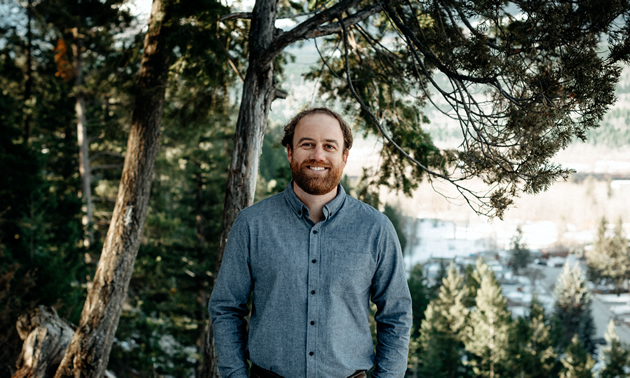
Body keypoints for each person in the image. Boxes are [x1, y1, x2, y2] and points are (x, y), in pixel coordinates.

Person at [208, 107, 412, 378]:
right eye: (307, 144)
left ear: (344, 156)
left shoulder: (376, 229)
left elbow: (396, 315)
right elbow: (226, 308)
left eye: (329, 146)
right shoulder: (252, 224)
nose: (318, 155)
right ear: (290, 152)